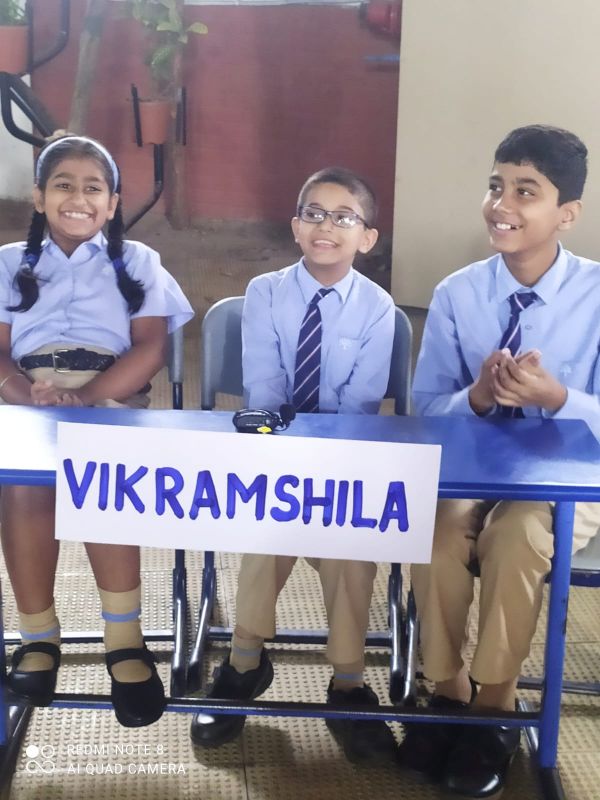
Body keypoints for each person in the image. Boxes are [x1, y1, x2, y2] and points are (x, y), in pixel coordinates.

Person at [398, 124, 600, 797]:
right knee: (434, 530)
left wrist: (558, 398)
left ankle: (495, 705)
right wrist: (478, 397)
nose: (501, 204)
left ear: (567, 213)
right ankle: (446, 689)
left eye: (526, 191)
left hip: (566, 481)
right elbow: (427, 409)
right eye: (495, 186)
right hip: (472, 467)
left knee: (515, 534)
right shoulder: (458, 293)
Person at [190, 166, 397, 761]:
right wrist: (286, 454)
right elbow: (263, 387)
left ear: (367, 237)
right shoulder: (265, 292)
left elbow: (361, 404)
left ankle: (349, 682)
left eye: (343, 216)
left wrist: (320, 461)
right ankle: (244, 662)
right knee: (267, 528)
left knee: (351, 546)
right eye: (313, 213)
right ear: (295, 225)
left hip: (343, 458)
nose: (326, 225)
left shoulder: (379, 308)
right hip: (274, 450)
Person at [0, 135, 194, 727]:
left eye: (94, 188)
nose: (78, 198)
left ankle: (124, 641)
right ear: (39, 196)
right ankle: (38, 636)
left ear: (112, 204)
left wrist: (85, 398)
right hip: (28, 395)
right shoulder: (8, 262)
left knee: (103, 483)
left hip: (109, 392)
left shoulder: (139, 262)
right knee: (24, 487)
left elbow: (151, 348)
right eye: (63, 185)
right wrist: (25, 394)